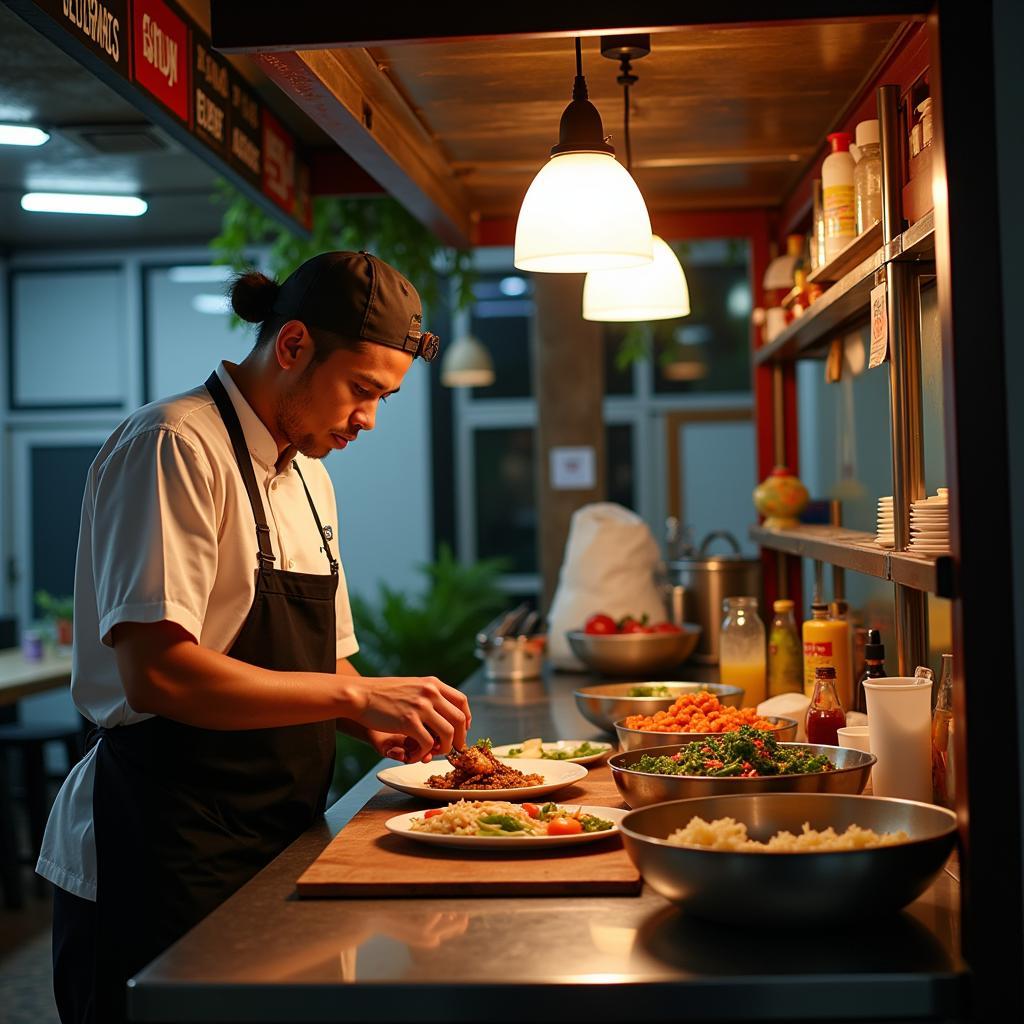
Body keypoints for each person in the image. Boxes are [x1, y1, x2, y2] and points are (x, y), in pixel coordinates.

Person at [38, 251, 470, 1024]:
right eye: (362, 391)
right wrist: (356, 693)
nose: (368, 419)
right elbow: (159, 676)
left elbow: (324, 659)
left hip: (278, 838)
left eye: (384, 398)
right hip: (161, 850)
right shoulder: (174, 445)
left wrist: (383, 719)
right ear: (294, 345)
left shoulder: (310, 474)